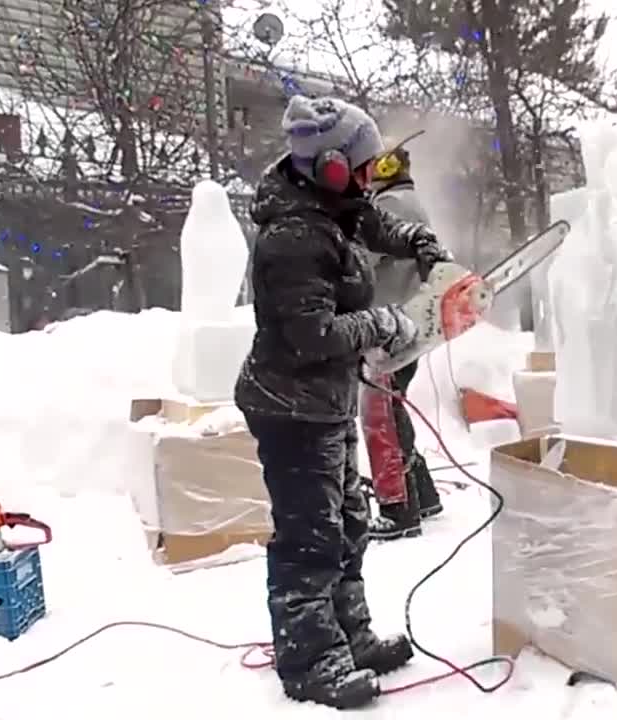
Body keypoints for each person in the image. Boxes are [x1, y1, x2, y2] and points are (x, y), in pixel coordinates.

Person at [234, 95, 451, 710]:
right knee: (310, 534)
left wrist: (420, 242)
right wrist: (388, 322)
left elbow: (374, 222)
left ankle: (348, 634)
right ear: (330, 165)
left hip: (327, 397)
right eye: (360, 167)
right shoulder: (293, 238)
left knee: (349, 517)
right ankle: (309, 660)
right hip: (289, 402)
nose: (367, 179)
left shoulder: (332, 206)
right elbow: (313, 335)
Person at [358, 142, 446, 542]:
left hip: (390, 324)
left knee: (378, 413)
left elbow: (363, 258)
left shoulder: (391, 204)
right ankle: (422, 494)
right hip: (406, 321)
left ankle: (397, 508)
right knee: (393, 410)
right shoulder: (409, 200)